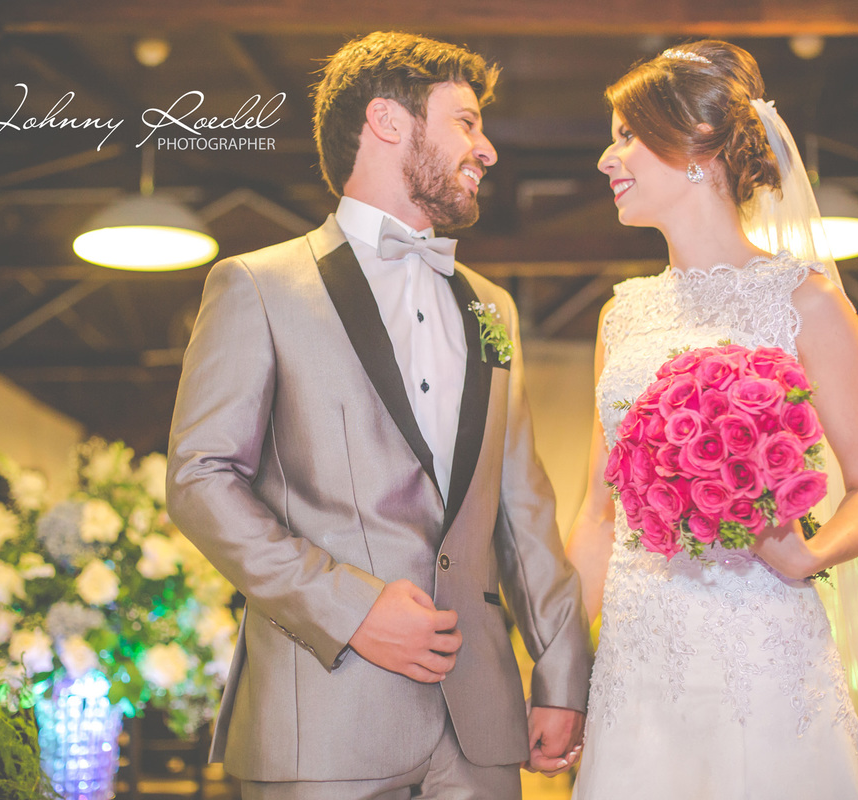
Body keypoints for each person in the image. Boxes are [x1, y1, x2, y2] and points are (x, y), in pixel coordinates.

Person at [166, 31, 592, 800]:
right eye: (466, 121)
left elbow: (522, 506)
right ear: (388, 120)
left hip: (481, 732)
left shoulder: (491, 308)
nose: (487, 149)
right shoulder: (257, 286)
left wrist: (562, 673)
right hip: (323, 720)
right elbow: (201, 479)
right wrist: (351, 608)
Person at [566, 40, 858, 798]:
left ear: (698, 148)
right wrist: (564, 669)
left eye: (627, 136)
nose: (607, 159)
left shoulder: (806, 304)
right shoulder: (619, 315)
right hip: (638, 666)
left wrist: (808, 555)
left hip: (765, 655)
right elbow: (598, 516)